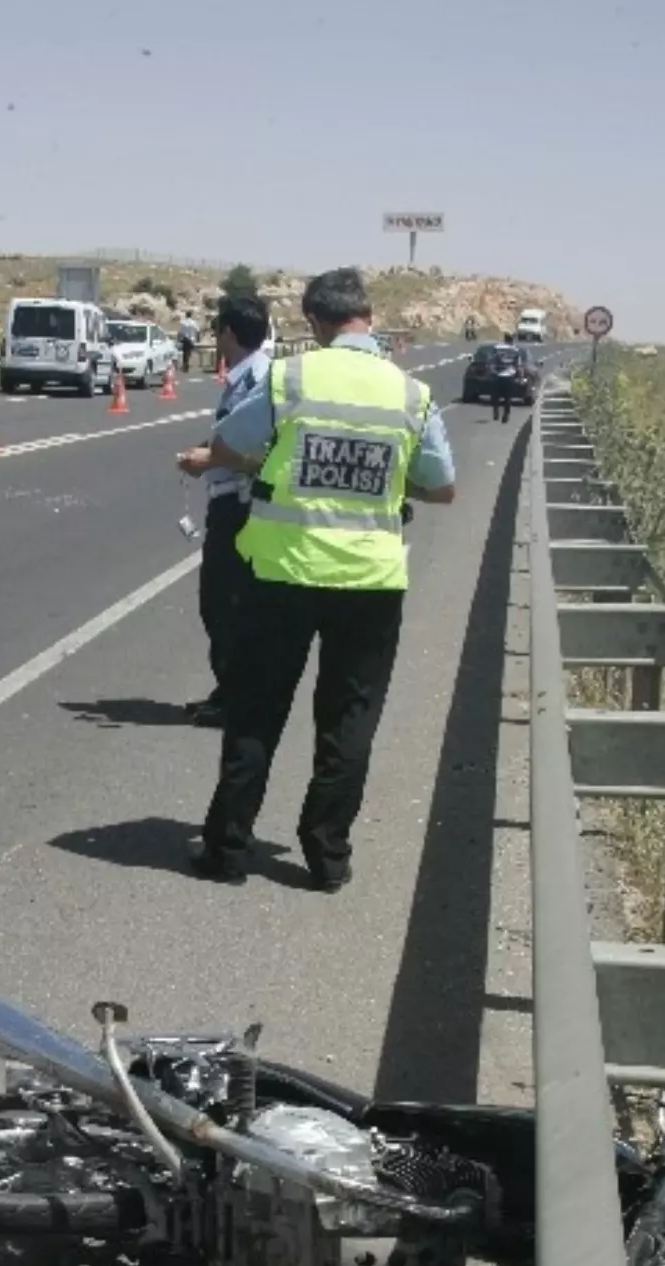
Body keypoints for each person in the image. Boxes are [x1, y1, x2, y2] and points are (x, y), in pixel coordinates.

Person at [191, 266, 456, 891]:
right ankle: (326, 853)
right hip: (369, 583)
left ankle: (228, 848)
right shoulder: (410, 394)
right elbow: (441, 486)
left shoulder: (291, 376)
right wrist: (388, 482)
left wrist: (272, 461)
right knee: (349, 721)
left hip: (281, 572)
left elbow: (227, 442)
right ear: (367, 317)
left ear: (313, 321)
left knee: (257, 712)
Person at [176, 295, 273, 726]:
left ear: (230, 333)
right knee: (223, 604)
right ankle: (230, 692)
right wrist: (205, 450)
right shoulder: (244, 377)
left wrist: (208, 459)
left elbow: (259, 445)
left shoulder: (259, 378)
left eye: (218, 331)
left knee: (224, 604)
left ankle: (237, 699)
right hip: (230, 500)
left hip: (241, 503)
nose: (215, 340)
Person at [490, 332, 520, 423]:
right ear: (512, 340)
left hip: (498, 375)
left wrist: (492, 371)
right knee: (508, 398)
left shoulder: (497, 348)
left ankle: (496, 412)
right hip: (509, 376)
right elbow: (518, 365)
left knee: (495, 396)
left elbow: (492, 361)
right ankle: (506, 415)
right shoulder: (515, 350)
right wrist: (520, 376)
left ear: (505, 339)